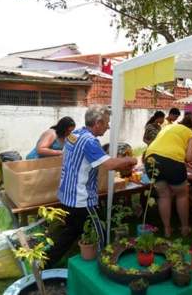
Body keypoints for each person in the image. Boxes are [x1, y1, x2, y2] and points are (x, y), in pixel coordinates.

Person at [47, 105, 137, 267]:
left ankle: (45, 261)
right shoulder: (90, 141)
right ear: (98, 122)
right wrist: (129, 161)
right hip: (81, 198)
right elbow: (109, 165)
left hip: (67, 193)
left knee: (71, 232)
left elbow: (89, 160)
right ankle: (104, 262)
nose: (108, 127)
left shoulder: (74, 134)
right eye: (107, 123)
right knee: (100, 231)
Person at [144, 123, 192, 238]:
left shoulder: (167, 128)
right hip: (172, 161)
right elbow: (188, 157)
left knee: (163, 195)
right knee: (182, 195)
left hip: (150, 158)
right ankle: (184, 228)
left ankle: (167, 230)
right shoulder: (191, 134)